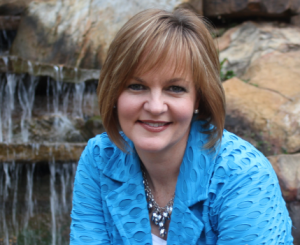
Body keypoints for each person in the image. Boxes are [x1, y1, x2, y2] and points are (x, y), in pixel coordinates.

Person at [70, 7, 294, 245]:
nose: (155, 106)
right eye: (136, 86)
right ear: (114, 92)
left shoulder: (243, 177)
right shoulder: (100, 158)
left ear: (198, 98)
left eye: (175, 88)